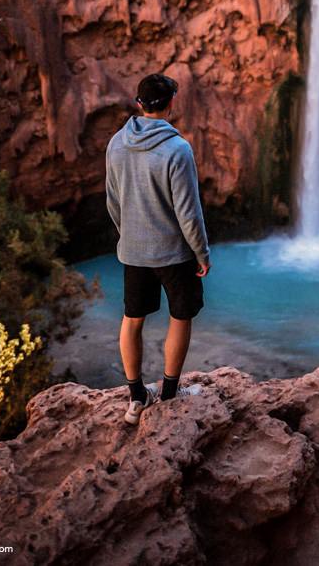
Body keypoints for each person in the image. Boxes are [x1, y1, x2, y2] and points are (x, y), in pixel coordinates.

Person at [105, 73, 211, 425]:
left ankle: (136, 397)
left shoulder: (116, 144)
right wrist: (202, 253)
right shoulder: (177, 149)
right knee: (180, 316)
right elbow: (188, 211)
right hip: (174, 254)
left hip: (133, 250)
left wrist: (129, 236)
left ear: (139, 104)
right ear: (170, 105)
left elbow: (112, 202)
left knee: (132, 319)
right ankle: (168, 392)